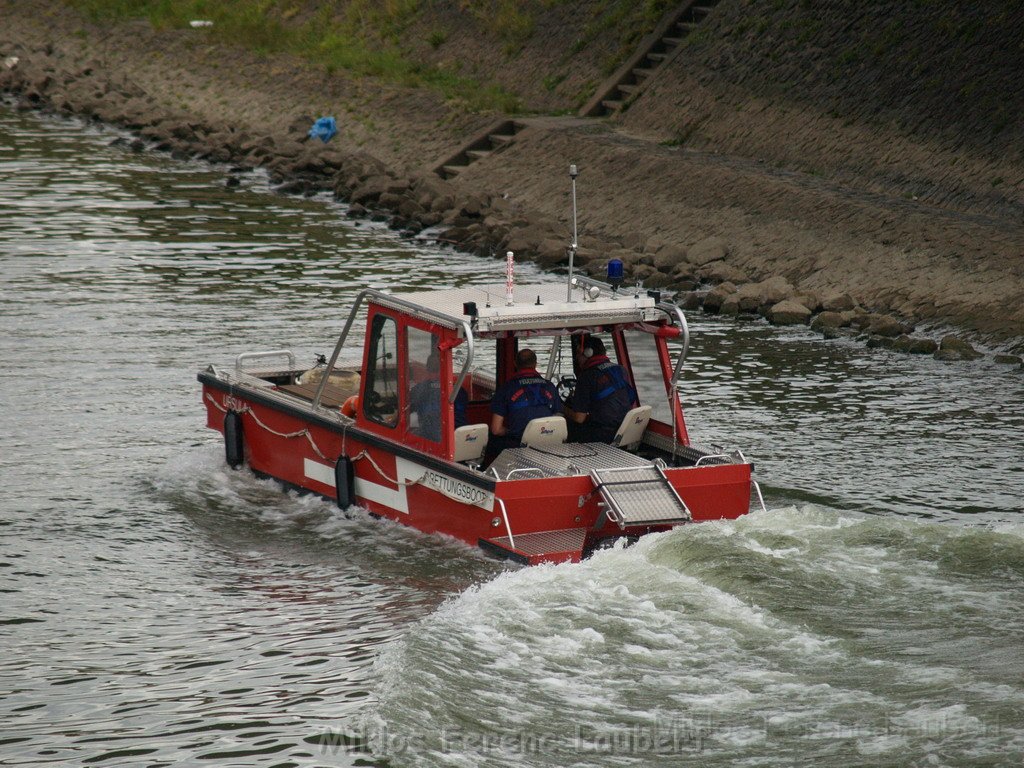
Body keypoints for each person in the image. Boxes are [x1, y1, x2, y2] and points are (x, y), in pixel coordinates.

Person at [564, 336, 636, 443]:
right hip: (624, 428)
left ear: (588, 353)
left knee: (568, 424)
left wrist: (560, 408)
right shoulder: (620, 369)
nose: (577, 357)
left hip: (602, 434)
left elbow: (579, 418)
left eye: (579, 353)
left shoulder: (587, 376)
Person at [489, 348, 561, 453]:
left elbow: (496, 429)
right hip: (548, 445)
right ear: (535, 364)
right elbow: (558, 417)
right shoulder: (550, 386)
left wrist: (511, 431)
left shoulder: (506, 389)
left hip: (518, 445)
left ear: (515, 364)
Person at [409, 352, 467, 441]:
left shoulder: (419, 390)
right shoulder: (460, 390)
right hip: (461, 438)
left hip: (432, 439)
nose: (436, 374)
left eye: (437, 370)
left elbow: (404, 409)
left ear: (427, 370)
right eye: (434, 370)